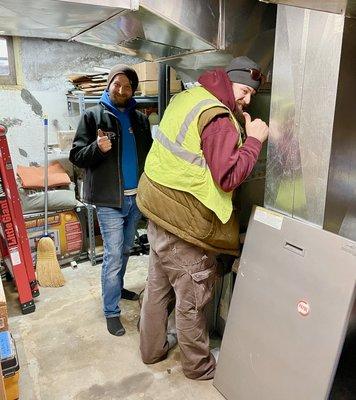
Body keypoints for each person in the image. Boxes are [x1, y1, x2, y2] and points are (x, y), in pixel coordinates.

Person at [137, 56, 269, 379]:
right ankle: (198, 366)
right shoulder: (218, 118)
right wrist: (254, 140)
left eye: (252, 95)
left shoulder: (191, 97)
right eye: (244, 90)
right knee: (193, 298)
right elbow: (228, 177)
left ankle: (151, 351)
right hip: (184, 225)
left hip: (157, 211)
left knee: (157, 288)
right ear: (230, 80)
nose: (246, 99)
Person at [69, 64, 152, 337]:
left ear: (132, 90)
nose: (121, 90)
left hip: (135, 198)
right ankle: (111, 310)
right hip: (109, 202)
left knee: (126, 250)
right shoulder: (93, 117)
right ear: (109, 85)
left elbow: (149, 156)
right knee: (113, 255)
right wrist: (97, 148)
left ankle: (118, 287)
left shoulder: (140, 120)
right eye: (117, 84)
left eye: (127, 86)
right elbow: (77, 156)